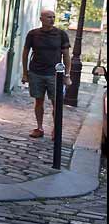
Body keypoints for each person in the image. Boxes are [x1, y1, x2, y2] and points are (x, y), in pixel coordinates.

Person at [22, 8, 72, 139]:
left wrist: (67, 75)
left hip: (55, 74)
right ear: (41, 19)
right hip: (36, 72)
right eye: (49, 17)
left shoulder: (61, 34)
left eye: (53, 17)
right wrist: (25, 73)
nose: (52, 19)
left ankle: (56, 129)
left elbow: (66, 56)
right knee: (39, 101)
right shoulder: (33, 34)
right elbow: (25, 52)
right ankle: (39, 127)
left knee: (56, 103)